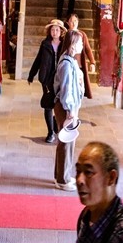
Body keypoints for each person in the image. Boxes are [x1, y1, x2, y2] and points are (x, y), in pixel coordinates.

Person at [75, 141, 123, 242]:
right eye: (78, 171)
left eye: (88, 172)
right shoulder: (86, 216)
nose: (79, 180)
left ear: (111, 177)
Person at [54, 28, 85, 190]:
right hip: (66, 108)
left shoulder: (70, 61)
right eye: (80, 43)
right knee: (66, 142)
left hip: (70, 107)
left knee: (66, 141)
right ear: (72, 45)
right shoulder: (66, 64)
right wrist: (70, 111)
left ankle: (60, 174)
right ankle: (63, 179)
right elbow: (66, 90)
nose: (81, 45)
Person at [27, 19, 64, 142]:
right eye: (52, 30)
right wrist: (31, 75)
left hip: (61, 78)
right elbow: (38, 60)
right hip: (47, 79)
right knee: (48, 105)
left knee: (59, 105)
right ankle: (50, 132)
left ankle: (55, 127)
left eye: (57, 30)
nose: (54, 32)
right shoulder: (45, 44)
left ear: (61, 32)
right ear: (49, 31)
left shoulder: (64, 45)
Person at [67, 12, 95, 99]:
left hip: (79, 65)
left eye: (75, 21)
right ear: (68, 23)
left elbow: (87, 49)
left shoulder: (82, 35)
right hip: (67, 64)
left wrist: (92, 62)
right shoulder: (65, 34)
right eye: (71, 21)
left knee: (79, 86)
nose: (74, 23)